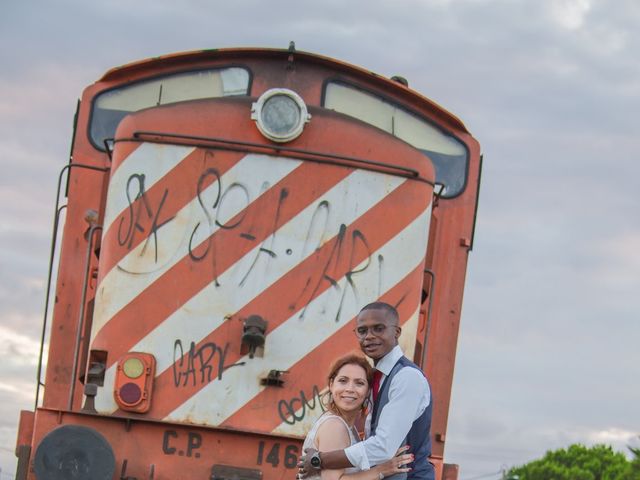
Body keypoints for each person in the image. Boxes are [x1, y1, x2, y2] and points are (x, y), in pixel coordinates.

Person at [300, 302, 434, 480]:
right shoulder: (377, 378)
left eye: (378, 329)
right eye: (362, 331)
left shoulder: (406, 377)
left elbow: (383, 447)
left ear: (396, 332)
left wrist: (319, 459)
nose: (369, 336)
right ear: (331, 385)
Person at [302, 353, 413, 480]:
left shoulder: (349, 427)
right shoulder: (335, 426)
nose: (350, 389)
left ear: (368, 391)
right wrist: (382, 470)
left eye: (359, 383)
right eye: (343, 381)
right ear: (331, 385)